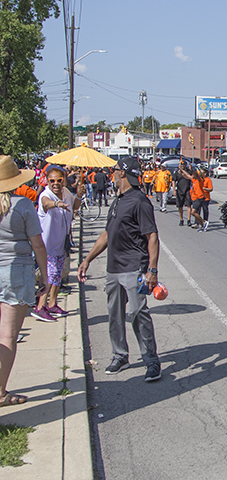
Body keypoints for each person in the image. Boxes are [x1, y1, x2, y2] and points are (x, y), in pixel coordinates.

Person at [78, 157, 162, 382]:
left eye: (114, 170)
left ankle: (151, 360)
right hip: (113, 268)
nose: (111, 173)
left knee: (138, 313)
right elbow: (106, 234)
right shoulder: (117, 201)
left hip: (134, 267)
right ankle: (120, 355)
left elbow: (152, 237)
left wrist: (152, 270)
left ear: (122, 173)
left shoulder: (140, 201)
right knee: (114, 314)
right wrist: (87, 259)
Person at [0, 156, 50, 406]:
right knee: (8, 335)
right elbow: (37, 244)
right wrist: (45, 276)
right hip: (16, 272)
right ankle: (0, 392)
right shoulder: (22, 205)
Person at [30, 165, 78, 322]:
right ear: (47, 181)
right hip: (46, 246)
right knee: (50, 276)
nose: (55, 183)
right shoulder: (46, 194)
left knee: (57, 276)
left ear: (63, 180)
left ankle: (52, 304)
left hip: (60, 243)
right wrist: (57, 204)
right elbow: (46, 203)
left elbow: (74, 206)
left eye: (59, 180)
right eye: (52, 180)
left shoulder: (66, 193)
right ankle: (40, 307)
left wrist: (79, 196)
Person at [174, 160, 193, 226]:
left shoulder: (188, 171)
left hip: (187, 190)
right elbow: (174, 181)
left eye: (183, 164)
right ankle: (181, 219)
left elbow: (190, 178)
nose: (182, 166)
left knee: (188, 205)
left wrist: (186, 171)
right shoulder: (177, 172)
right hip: (179, 190)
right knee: (180, 206)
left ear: (185, 165)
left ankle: (188, 220)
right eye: (181, 164)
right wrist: (174, 190)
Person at [189, 167, 208, 232]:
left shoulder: (200, 180)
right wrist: (182, 170)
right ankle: (202, 225)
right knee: (194, 213)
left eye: (194, 174)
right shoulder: (194, 180)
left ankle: (204, 222)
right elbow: (188, 176)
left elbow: (196, 174)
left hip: (199, 198)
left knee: (193, 212)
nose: (192, 175)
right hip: (195, 198)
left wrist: (192, 169)